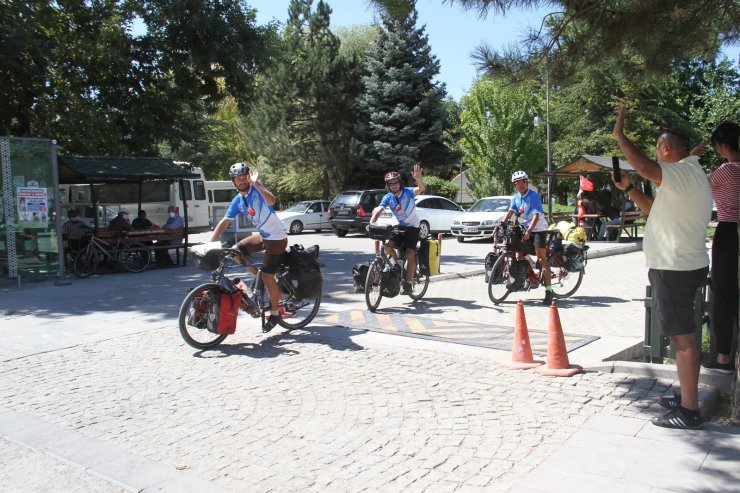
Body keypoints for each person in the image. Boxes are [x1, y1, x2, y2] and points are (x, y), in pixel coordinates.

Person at [613, 105, 712, 430]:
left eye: (658, 148)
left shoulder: (681, 173)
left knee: (683, 341)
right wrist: (628, 188)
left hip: (675, 269)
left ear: (666, 148)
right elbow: (653, 210)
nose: (656, 153)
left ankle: (689, 411)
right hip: (680, 267)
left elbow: (643, 166)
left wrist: (620, 136)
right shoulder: (687, 175)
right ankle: (686, 396)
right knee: (682, 337)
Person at [210, 162, 288, 332]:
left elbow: (272, 200)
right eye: (238, 179)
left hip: (277, 238)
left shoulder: (256, 192)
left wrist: (256, 184)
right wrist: (210, 243)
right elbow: (224, 222)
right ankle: (257, 274)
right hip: (264, 236)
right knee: (234, 252)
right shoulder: (238, 201)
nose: (242, 181)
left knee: (268, 277)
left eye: (244, 178)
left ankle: (275, 314)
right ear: (233, 182)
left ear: (248, 178)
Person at [698, 121, 739, 374]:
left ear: (723, 145)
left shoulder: (726, 170)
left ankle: (723, 358)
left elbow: (698, 188)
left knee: (724, 295)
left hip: (729, 232)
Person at [367, 165, 426, 295]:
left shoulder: (408, 192)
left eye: (395, 183)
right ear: (388, 185)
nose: (393, 185)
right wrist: (371, 223)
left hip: (413, 227)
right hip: (400, 226)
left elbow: (421, 189)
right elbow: (378, 210)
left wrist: (418, 179)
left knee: (410, 253)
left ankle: (409, 283)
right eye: (390, 184)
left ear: (400, 183)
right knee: (387, 247)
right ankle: (397, 265)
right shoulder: (388, 197)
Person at [502, 170, 553, 305]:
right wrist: (501, 224)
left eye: (523, 182)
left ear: (527, 182)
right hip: (526, 228)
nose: (521, 185)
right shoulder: (516, 198)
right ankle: (531, 275)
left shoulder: (534, 196)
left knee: (542, 259)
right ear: (515, 185)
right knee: (519, 253)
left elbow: (536, 216)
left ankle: (549, 291)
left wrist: (529, 231)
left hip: (538, 229)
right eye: (518, 183)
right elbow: (511, 213)